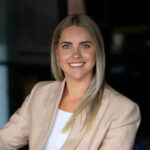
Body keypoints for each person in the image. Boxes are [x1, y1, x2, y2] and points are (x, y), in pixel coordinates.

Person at [0, 14, 141, 150]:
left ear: (97, 51)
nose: (76, 55)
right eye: (67, 46)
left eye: (85, 46)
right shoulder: (40, 93)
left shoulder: (122, 110)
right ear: (57, 51)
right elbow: (5, 141)